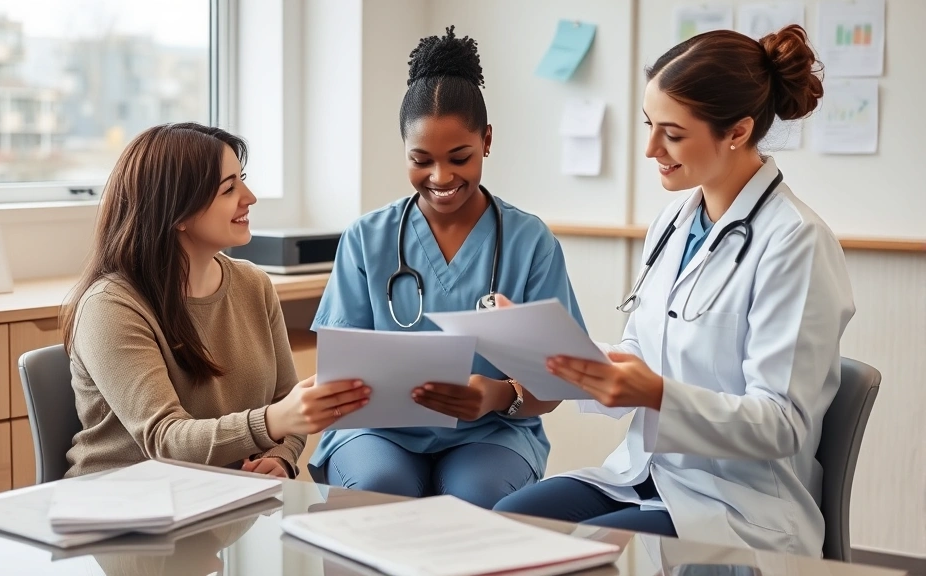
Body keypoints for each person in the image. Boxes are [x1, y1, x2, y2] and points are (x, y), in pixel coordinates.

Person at [494, 24, 855, 557]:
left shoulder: (796, 242)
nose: (650, 149)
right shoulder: (673, 222)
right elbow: (642, 350)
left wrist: (655, 394)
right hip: (647, 476)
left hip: (741, 504)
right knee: (506, 523)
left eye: (673, 133)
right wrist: (561, 357)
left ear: (736, 131)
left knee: (594, 552)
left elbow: (783, 424)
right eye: (649, 125)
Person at [308, 26, 585, 508]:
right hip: (380, 433)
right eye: (421, 160)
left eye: (460, 157)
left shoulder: (529, 242)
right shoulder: (366, 239)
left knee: (475, 496)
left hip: (491, 433)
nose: (440, 177)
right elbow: (339, 372)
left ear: (488, 140)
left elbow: (555, 383)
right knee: (380, 489)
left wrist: (497, 396)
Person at [61, 122, 370, 479]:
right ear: (177, 212)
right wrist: (275, 421)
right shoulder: (110, 307)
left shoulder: (254, 284)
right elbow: (165, 440)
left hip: (224, 496)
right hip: (125, 504)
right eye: (228, 189)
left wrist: (280, 455)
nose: (249, 197)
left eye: (243, 179)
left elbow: (286, 405)